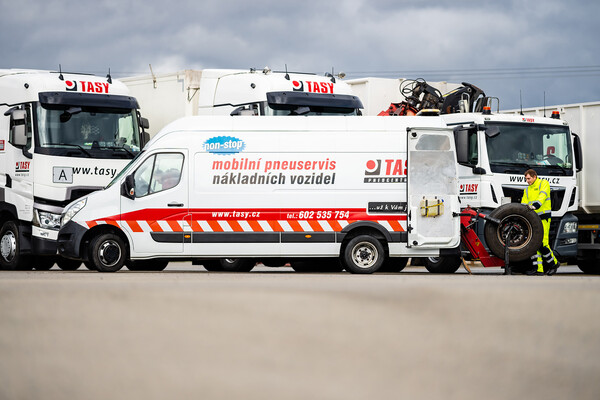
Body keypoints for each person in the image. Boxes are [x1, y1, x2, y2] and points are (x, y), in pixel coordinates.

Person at [521, 169, 559, 275]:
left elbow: (542, 197)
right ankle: (538, 269)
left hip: (543, 218)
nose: (527, 181)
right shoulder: (527, 190)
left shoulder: (544, 183)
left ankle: (554, 264)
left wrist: (535, 206)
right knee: (533, 243)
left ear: (534, 177)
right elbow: (524, 204)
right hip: (532, 219)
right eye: (526, 179)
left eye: (529, 178)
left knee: (543, 243)